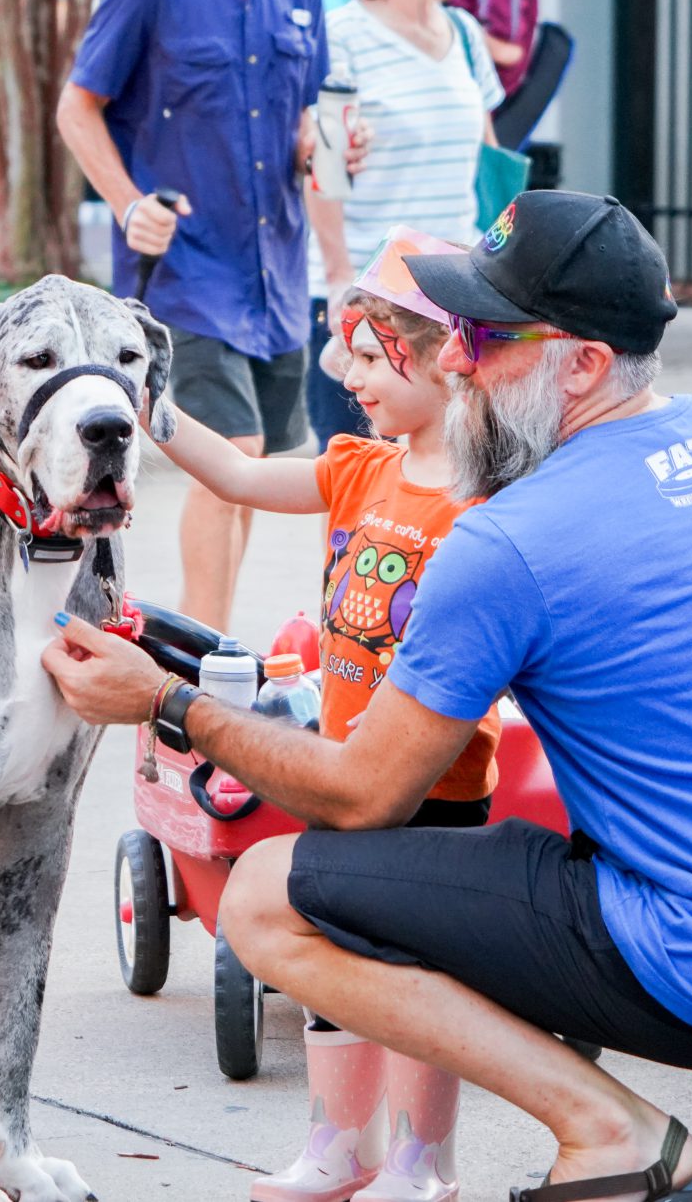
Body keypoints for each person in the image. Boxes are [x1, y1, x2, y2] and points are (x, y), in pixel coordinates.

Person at [46, 191, 692, 1202]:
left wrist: (166, 700)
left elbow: (363, 796)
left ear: (581, 363)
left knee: (265, 895)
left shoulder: (510, 541)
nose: (453, 362)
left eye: (486, 337)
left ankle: (606, 1127)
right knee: (676, 808)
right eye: (457, 331)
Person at [159, 230, 496, 1202]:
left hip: (435, 787)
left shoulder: (489, 501)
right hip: (339, 772)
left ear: (447, 357)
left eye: (367, 350)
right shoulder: (359, 467)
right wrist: (149, 408)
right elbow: (235, 474)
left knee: (422, 980)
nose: (345, 371)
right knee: (330, 963)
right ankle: (339, 1144)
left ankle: (423, 1163)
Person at [58, 0, 354, 632]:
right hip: (187, 273)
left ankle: (214, 646)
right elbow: (78, 109)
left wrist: (322, 148)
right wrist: (126, 206)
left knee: (252, 469)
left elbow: (305, 125)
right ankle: (211, 659)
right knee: (235, 460)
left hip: (276, 276)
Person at [308, 0, 505, 448]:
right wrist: (339, 275)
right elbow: (322, 169)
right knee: (360, 474)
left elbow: (488, 157)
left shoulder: (466, 35)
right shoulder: (341, 36)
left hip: (454, 292)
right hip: (372, 295)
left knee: (459, 469)